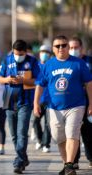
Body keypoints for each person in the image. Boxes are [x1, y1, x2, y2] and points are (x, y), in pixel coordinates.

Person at [34, 35, 92, 175]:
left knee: (72, 133)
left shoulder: (78, 63)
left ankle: (70, 164)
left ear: (67, 47)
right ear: (53, 49)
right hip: (54, 108)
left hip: (76, 106)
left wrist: (91, 103)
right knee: (59, 137)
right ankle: (67, 164)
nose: (61, 48)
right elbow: (40, 85)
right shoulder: (48, 65)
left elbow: (89, 84)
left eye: (64, 45)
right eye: (57, 46)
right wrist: (36, 103)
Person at [0, 39, 40, 174]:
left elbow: (38, 80)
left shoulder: (32, 62)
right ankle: (23, 157)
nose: (18, 56)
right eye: (16, 53)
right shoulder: (7, 60)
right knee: (14, 135)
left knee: (22, 133)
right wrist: (7, 80)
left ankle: (19, 162)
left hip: (25, 103)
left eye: (21, 54)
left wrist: (23, 80)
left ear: (25, 52)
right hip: (9, 102)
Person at [68, 36, 92, 169]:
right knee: (73, 132)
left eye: (75, 47)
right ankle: (74, 160)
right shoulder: (68, 62)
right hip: (74, 103)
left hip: (88, 101)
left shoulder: (89, 61)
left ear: (81, 48)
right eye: (70, 47)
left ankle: (90, 157)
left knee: (88, 132)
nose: (73, 50)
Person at [32, 44, 52, 153]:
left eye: (47, 52)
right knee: (35, 121)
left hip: (50, 99)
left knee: (48, 123)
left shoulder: (52, 65)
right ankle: (39, 140)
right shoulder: (35, 66)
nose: (44, 54)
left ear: (50, 54)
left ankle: (46, 144)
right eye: (42, 52)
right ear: (39, 53)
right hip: (38, 100)